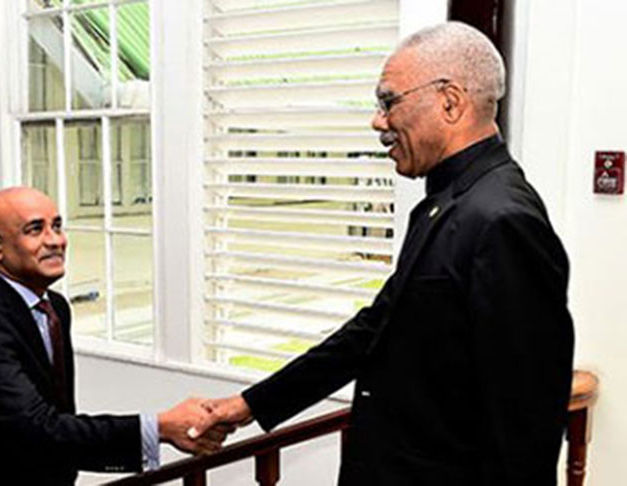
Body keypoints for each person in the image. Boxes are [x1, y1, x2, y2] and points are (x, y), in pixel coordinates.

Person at [196, 22, 575, 485]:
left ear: (450, 102)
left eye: (389, 101)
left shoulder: (501, 219)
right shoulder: (448, 204)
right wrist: (251, 405)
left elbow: (525, 422)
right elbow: (373, 330)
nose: (378, 121)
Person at [0, 187, 226, 486]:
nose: (55, 240)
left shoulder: (55, 307)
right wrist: (159, 427)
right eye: (34, 229)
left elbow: (55, 415)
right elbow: (35, 428)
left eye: (56, 225)